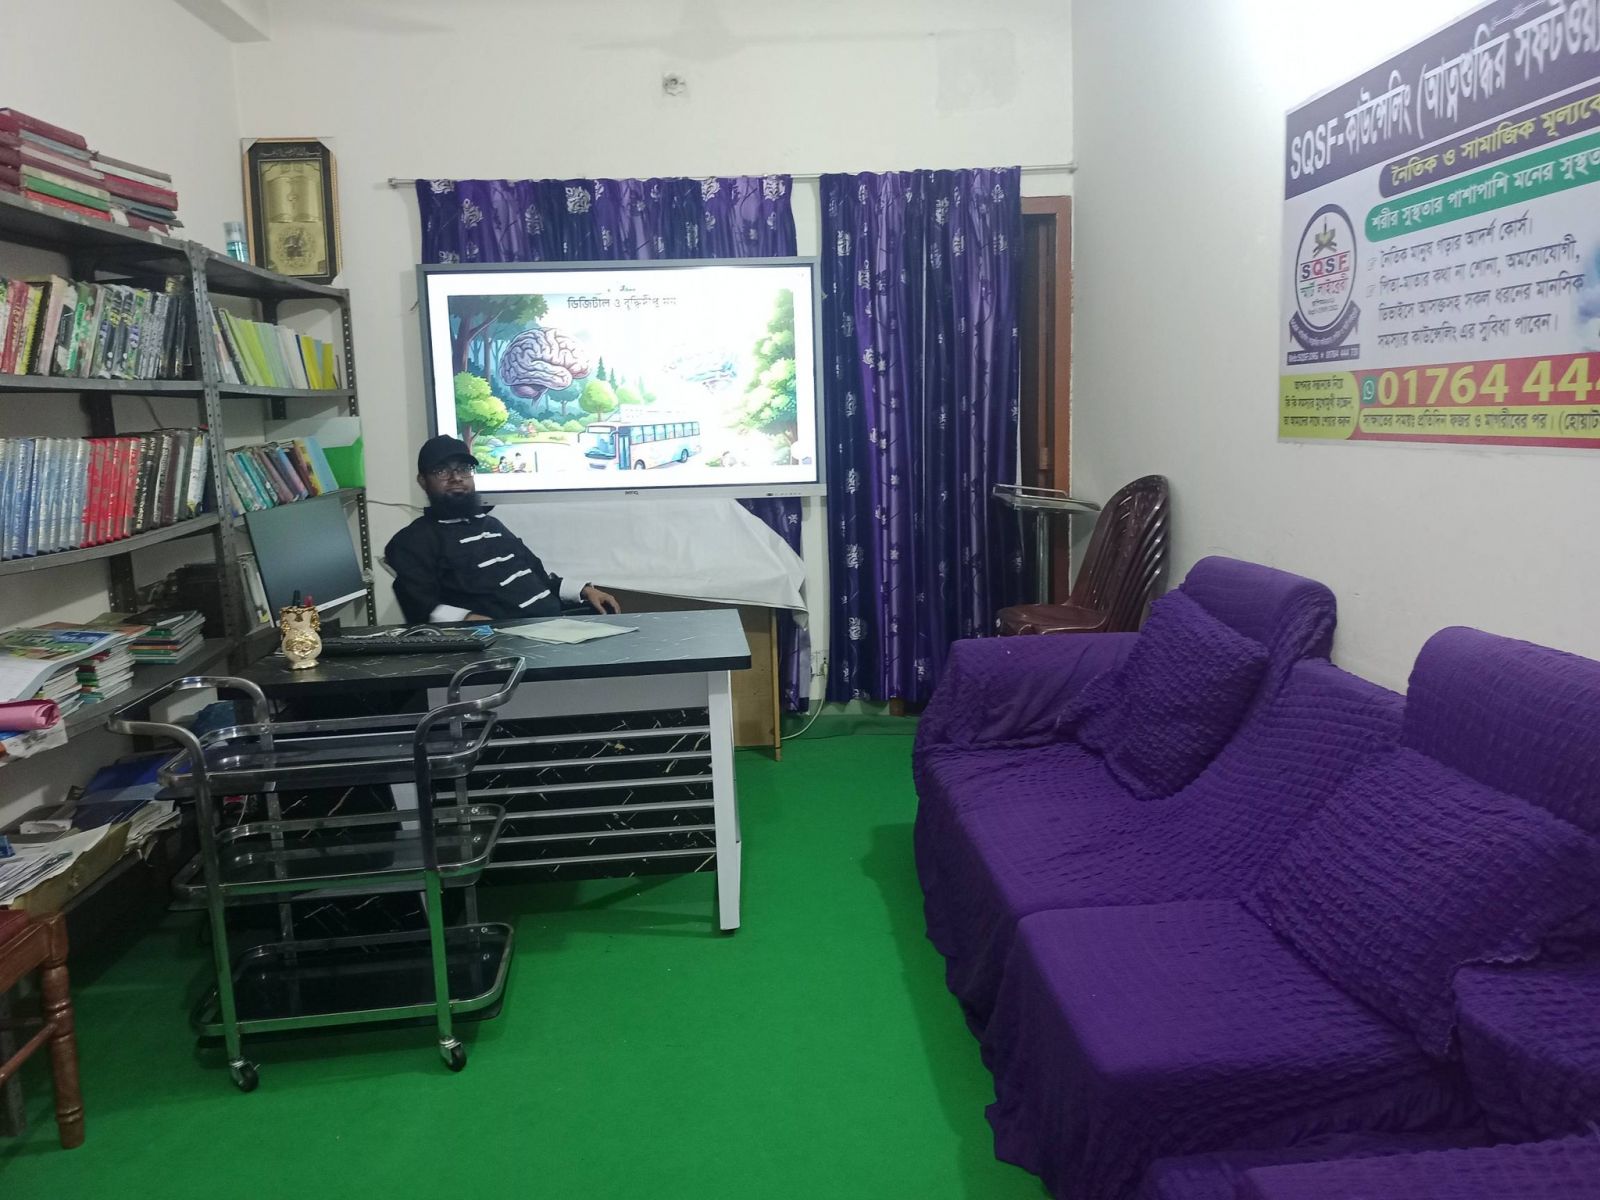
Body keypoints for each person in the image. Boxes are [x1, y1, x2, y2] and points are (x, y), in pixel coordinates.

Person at [385, 435, 621, 625]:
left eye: (464, 469)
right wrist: (467, 620)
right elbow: (420, 607)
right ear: (422, 481)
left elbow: (538, 577)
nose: (456, 478)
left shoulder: (492, 525)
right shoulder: (413, 541)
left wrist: (584, 590)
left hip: (557, 624)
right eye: (442, 471)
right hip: (507, 643)